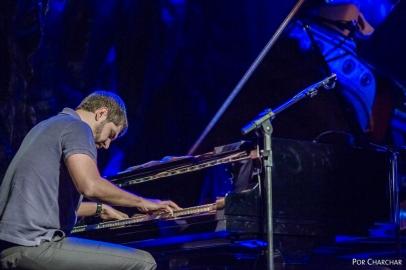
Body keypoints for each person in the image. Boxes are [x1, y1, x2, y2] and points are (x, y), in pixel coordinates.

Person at [0, 90, 180, 270]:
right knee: (144, 262)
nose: (107, 145)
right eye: (111, 134)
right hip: (33, 245)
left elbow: (44, 202)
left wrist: (100, 209)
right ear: (101, 113)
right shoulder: (77, 127)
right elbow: (91, 186)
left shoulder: (46, 126)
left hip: (12, 245)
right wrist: (143, 202)